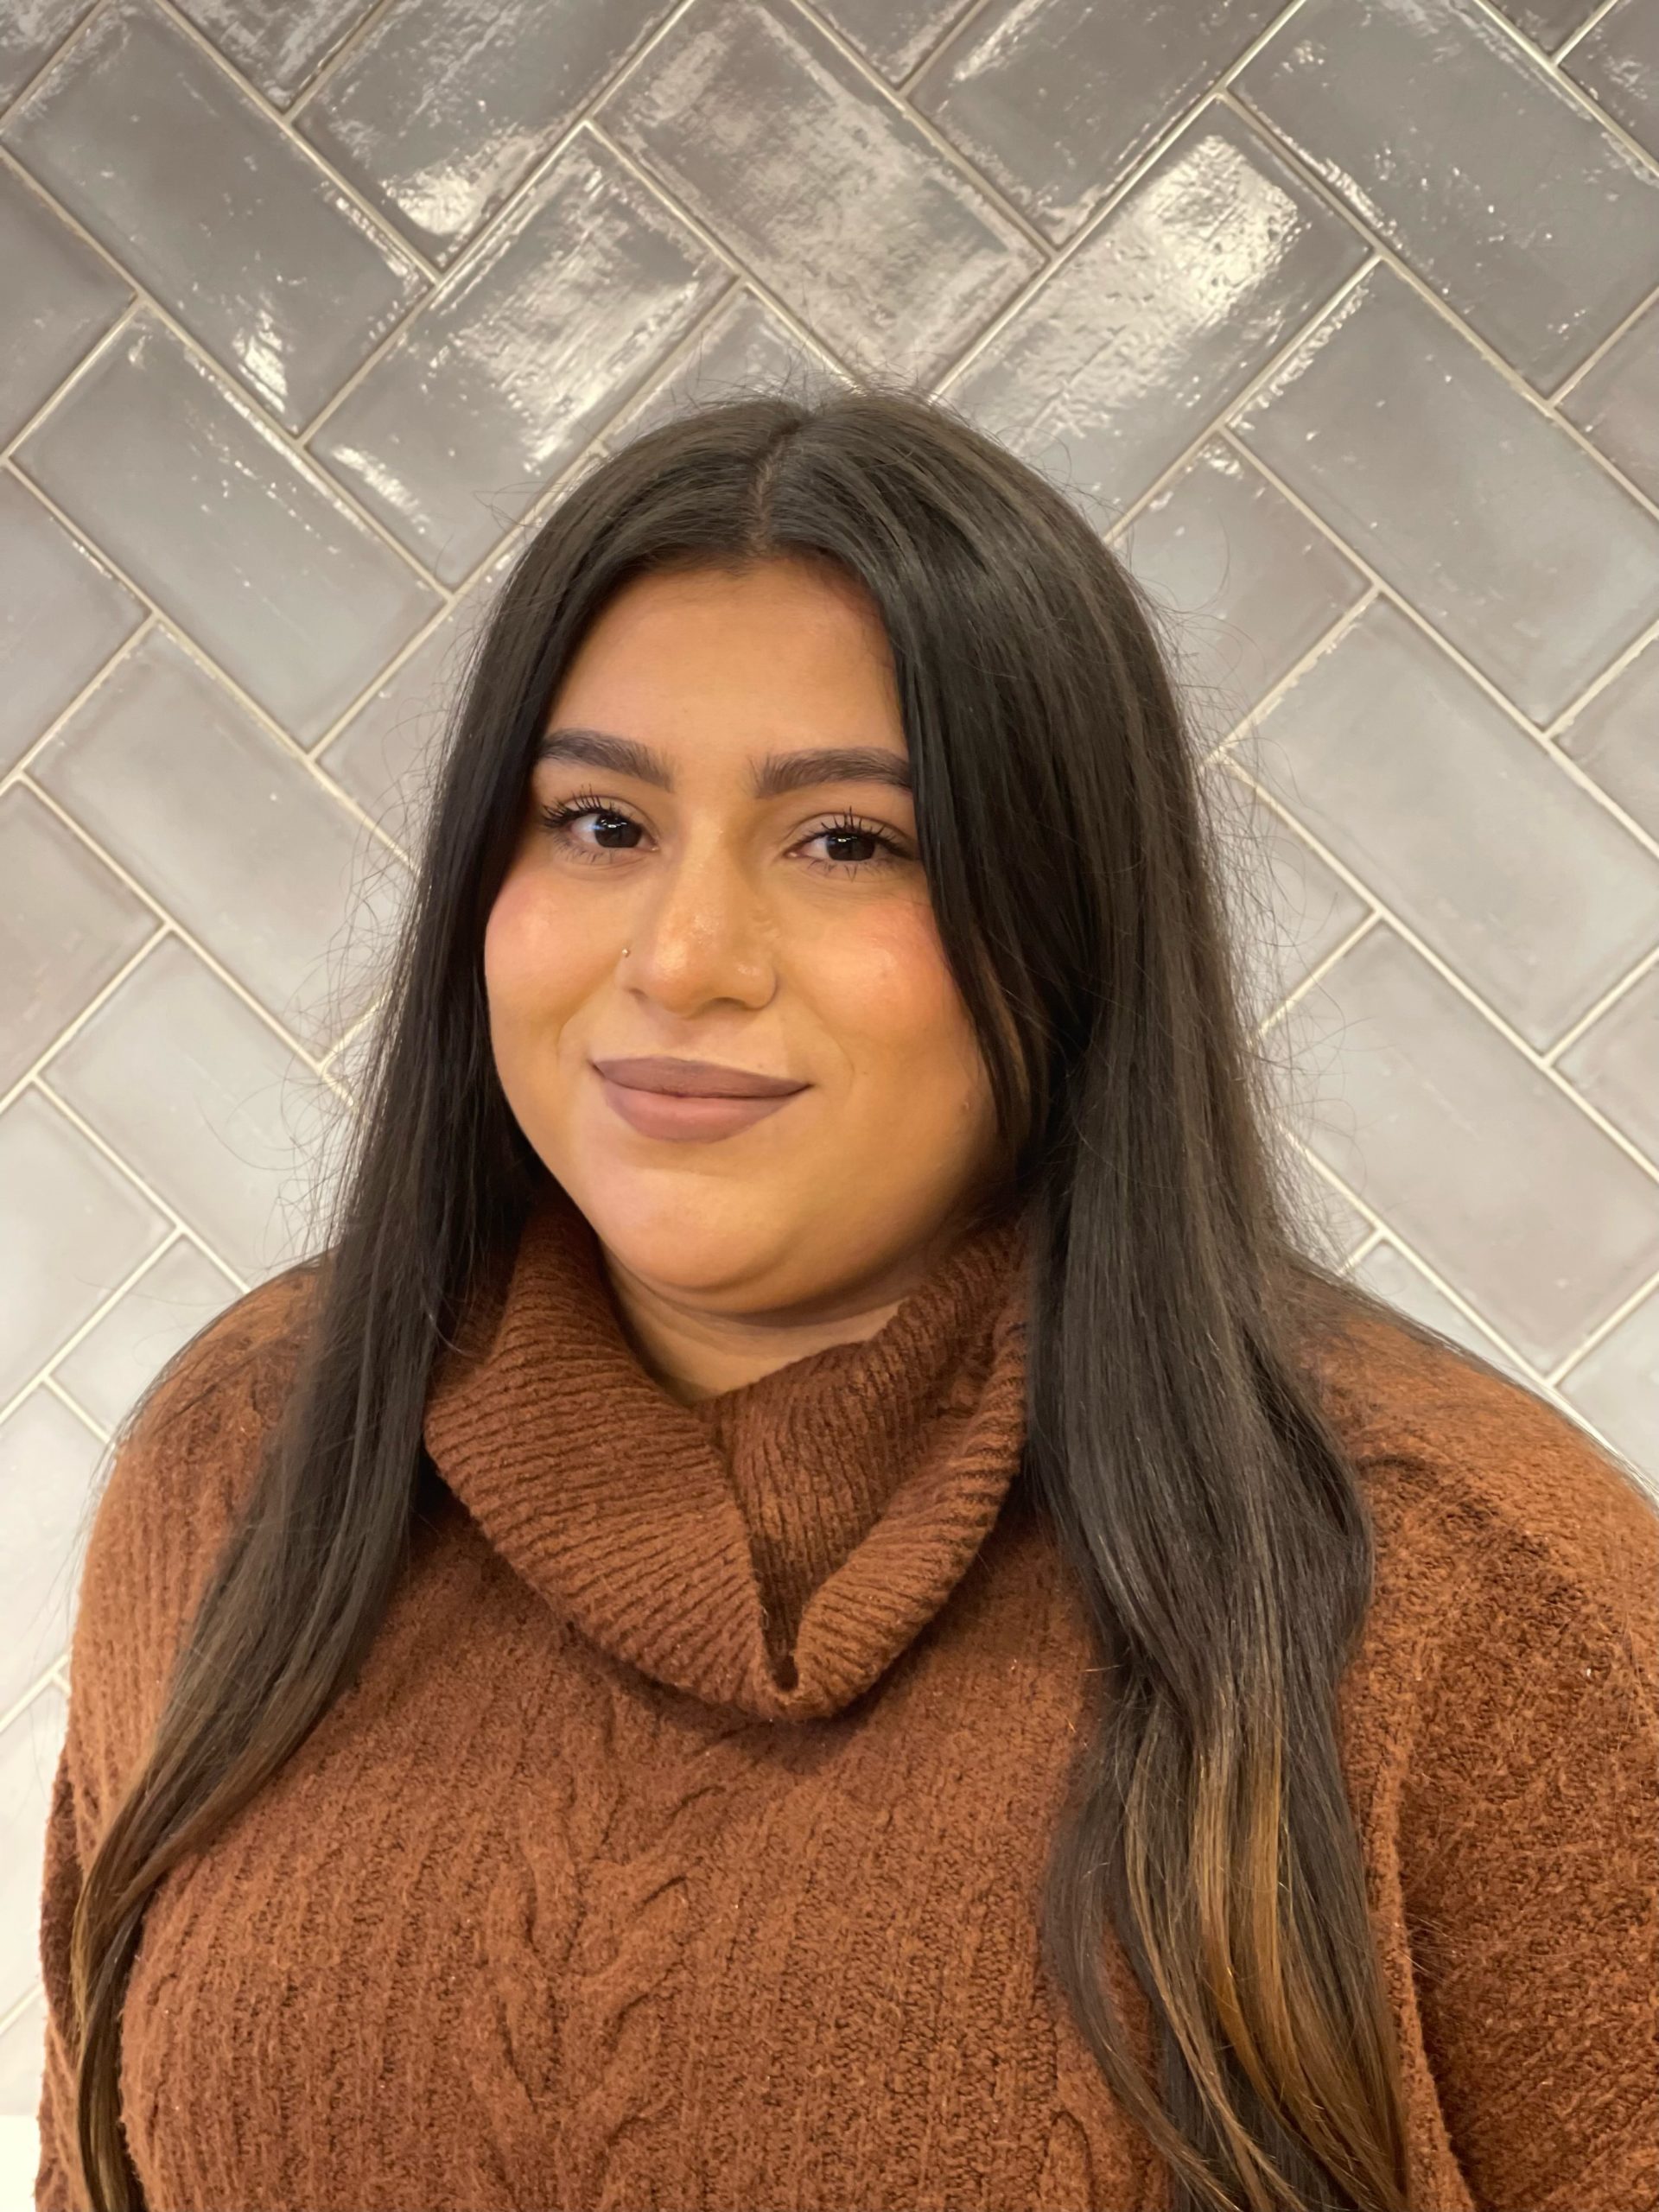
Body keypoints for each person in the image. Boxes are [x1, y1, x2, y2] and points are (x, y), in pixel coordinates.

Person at [35, 386, 1657, 2212]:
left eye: (847, 844)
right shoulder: (251, 1456)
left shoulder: (1469, 1594)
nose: (686, 958)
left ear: (1065, 923)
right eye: (597, 822)